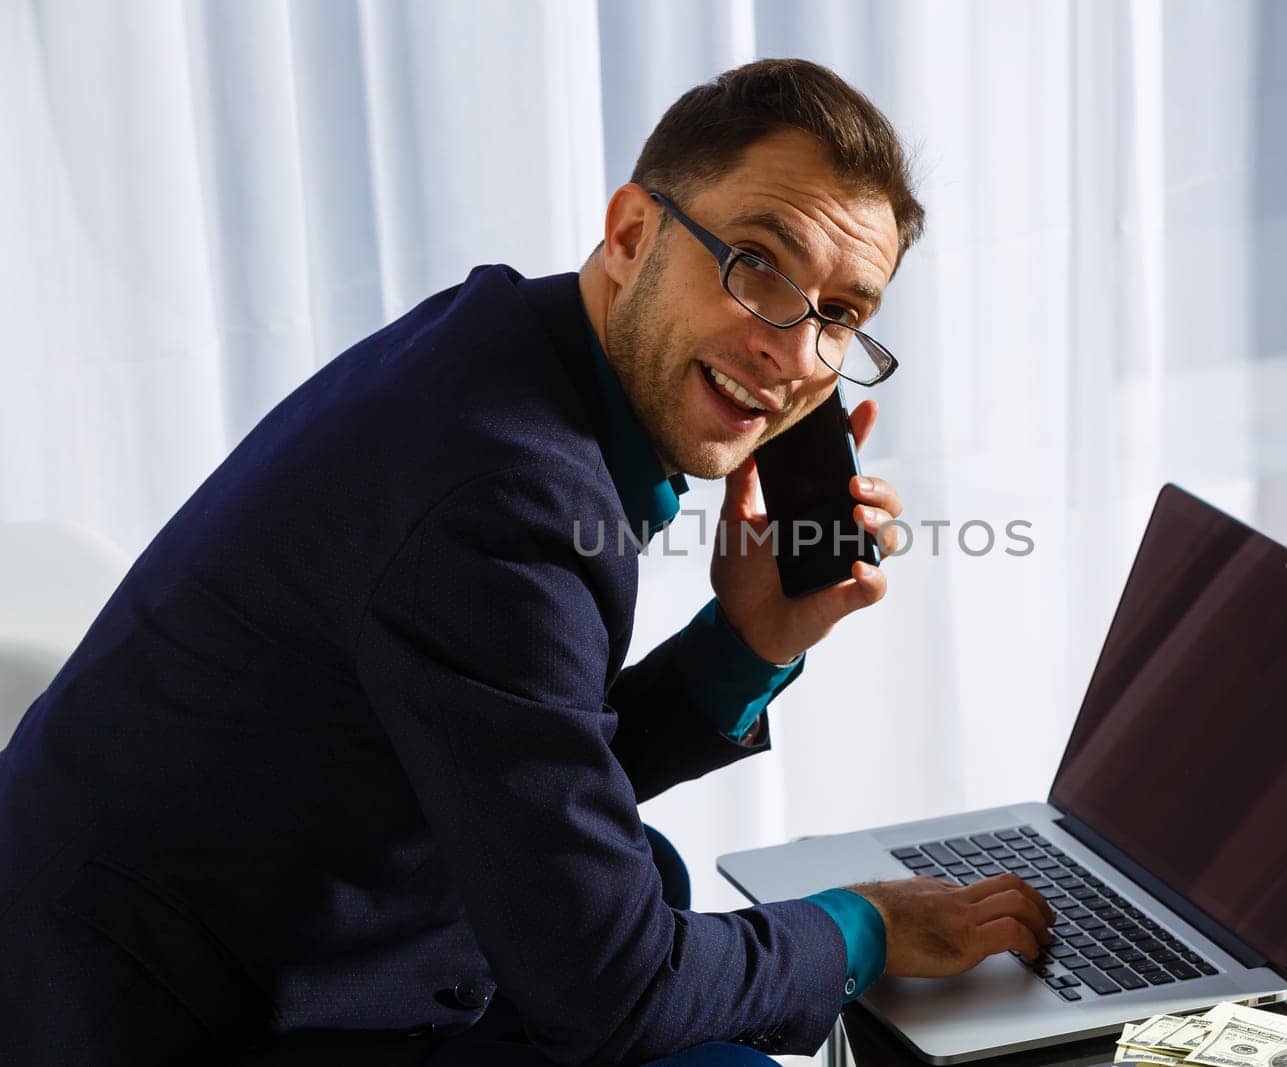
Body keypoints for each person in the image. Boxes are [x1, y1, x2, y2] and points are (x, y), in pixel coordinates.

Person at [0, 59, 1053, 1066]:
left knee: (662, 882)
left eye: (838, 314)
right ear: (633, 233)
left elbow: (498, 754)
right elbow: (613, 990)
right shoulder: (507, 493)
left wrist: (743, 647)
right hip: (183, 1021)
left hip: (253, 905)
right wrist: (863, 928)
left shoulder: (507, 343)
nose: (792, 350)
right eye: (756, 265)